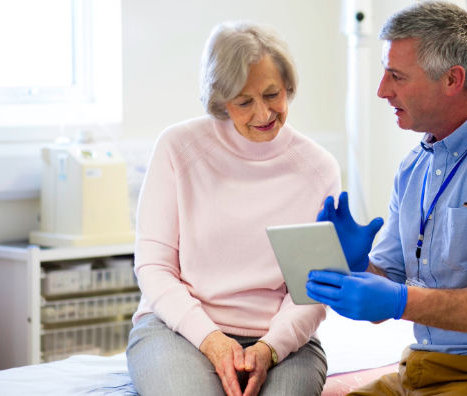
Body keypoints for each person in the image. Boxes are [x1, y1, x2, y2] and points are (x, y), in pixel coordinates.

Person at [306, 2, 467, 395]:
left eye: (397, 76)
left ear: (452, 79)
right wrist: (355, 267)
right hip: (422, 368)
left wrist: (401, 302)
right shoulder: (414, 168)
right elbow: (385, 289)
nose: (381, 90)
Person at [126, 21, 341, 396]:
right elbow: (154, 267)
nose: (263, 114)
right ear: (221, 100)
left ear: (288, 86)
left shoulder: (318, 168)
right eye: (244, 102)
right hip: (179, 329)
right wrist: (211, 339)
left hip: (282, 341)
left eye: (273, 94)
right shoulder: (178, 148)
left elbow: (313, 289)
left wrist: (269, 349)